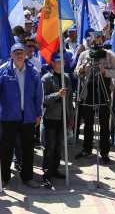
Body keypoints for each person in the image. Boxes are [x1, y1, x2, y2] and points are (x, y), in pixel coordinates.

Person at [0, 43, 43, 189]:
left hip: (28, 116)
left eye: (21, 52)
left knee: (28, 148)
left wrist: (38, 114)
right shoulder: (3, 70)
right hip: (9, 116)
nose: (19, 55)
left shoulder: (33, 71)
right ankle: (4, 178)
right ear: (11, 55)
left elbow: (39, 95)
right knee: (6, 148)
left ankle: (27, 177)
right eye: (16, 52)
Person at [74, 31, 115, 163]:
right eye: (95, 38)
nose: (97, 40)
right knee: (88, 123)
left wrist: (105, 71)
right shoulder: (84, 54)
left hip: (103, 92)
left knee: (105, 124)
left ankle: (104, 153)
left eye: (99, 38)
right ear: (91, 39)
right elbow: (76, 74)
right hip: (88, 92)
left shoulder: (109, 55)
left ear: (103, 39)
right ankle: (87, 149)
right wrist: (81, 70)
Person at [41, 52, 74, 189]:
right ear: (52, 63)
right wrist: (57, 95)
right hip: (50, 117)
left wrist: (70, 117)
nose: (61, 64)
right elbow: (43, 100)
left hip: (63, 117)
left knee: (59, 146)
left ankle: (55, 169)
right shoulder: (46, 79)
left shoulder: (66, 77)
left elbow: (70, 99)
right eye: (58, 62)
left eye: (63, 62)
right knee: (49, 147)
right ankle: (47, 173)